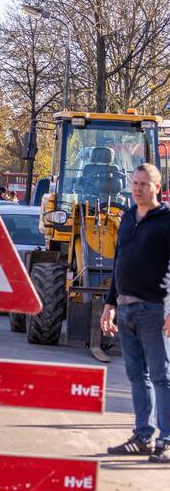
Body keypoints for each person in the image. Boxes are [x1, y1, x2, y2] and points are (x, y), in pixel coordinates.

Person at [101, 163, 170, 463]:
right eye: (134, 183)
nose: (137, 188)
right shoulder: (128, 218)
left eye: (144, 183)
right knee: (135, 375)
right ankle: (143, 435)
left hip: (154, 308)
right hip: (125, 308)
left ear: (157, 187)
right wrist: (109, 305)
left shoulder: (166, 220)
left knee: (161, 376)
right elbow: (119, 262)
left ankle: (166, 441)